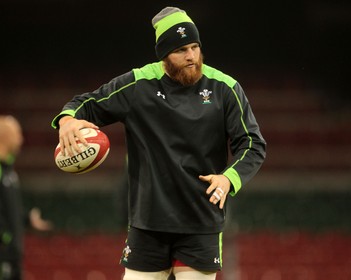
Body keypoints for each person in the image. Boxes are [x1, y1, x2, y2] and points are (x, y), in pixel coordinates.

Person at [51, 6, 266, 280]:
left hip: (200, 223)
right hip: (147, 225)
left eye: (194, 47)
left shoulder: (225, 88)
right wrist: (67, 120)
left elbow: (253, 144)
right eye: (181, 50)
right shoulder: (139, 84)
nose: (191, 56)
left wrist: (229, 179)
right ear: (164, 55)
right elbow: (86, 103)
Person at [0, 115, 53, 280]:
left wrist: (27, 219)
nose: (21, 139)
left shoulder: (7, 168)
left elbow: (7, 209)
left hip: (10, 254)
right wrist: (6, 236)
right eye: (17, 134)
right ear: (4, 136)